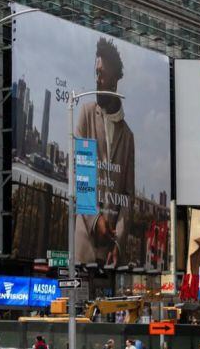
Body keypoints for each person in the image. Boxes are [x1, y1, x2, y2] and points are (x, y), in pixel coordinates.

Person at [74, 38, 135, 267]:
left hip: (112, 255)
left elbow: (128, 196)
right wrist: (96, 219)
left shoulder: (128, 137)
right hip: (84, 248)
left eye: (102, 74)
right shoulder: (86, 115)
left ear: (114, 80)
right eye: (96, 72)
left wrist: (118, 241)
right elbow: (81, 176)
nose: (97, 79)